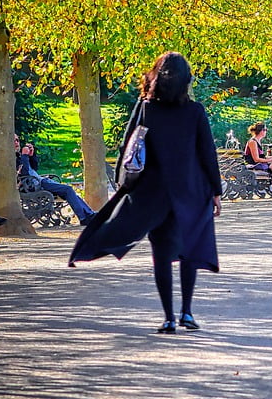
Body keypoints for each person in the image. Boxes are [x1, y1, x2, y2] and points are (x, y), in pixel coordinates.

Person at [70, 51, 222, 334]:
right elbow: (207, 153)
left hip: (153, 194)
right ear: (186, 80)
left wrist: (123, 183)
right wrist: (216, 191)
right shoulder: (195, 112)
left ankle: (168, 317)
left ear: (156, 78)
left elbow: (128, 146)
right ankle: (187, 312)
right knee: (189, 250)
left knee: (161, 253)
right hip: (190, 191)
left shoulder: (146, 108)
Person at [14, 135, 96, 225]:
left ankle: (89, 214)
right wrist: (25, 156)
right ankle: (84, 217)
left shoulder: (19, 156)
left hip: (40, 181)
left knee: (68, 191)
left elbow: (34, 168)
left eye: (17, 140)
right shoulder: (12, 159)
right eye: (14, 141)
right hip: (34, 185)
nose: (16, 143)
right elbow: (25, 173)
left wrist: (31, 155)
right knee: (68, 189)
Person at [243, 121, 272, 198]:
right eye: (265, 130)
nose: (266, 132)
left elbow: (261, 156)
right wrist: (270, 160)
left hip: (260, 163)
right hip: (254, 164)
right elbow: (256, 159)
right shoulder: (253, 142)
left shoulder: (258, 141)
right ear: (261, 131)